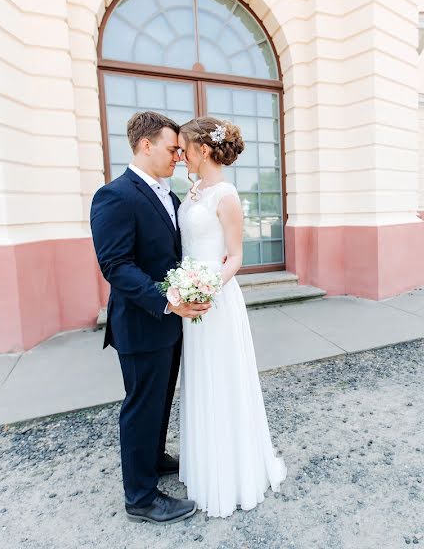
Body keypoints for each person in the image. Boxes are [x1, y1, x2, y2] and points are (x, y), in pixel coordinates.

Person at [89, 111, 209, 524]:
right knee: (141, 405)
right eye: (172, 147)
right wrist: (167, 301)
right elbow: (116, 265)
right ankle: (140, 498)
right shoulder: (115, 195)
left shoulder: (169, 196)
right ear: (145, 145)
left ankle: (153, 458)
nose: (179, 155)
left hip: (169, 323)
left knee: (160, 400)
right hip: (143, 322)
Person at [175, 116, 287, 518]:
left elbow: (236, 257)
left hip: (215, 300)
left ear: (202, 150)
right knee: (201, 378)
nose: (180, 155)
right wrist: (184, 287)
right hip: (191, 298)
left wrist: (205, 287)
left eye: (184, 148)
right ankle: (205, 465)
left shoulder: (226, 195)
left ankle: (232, 473)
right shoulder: (193, 192)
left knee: (222, 378)